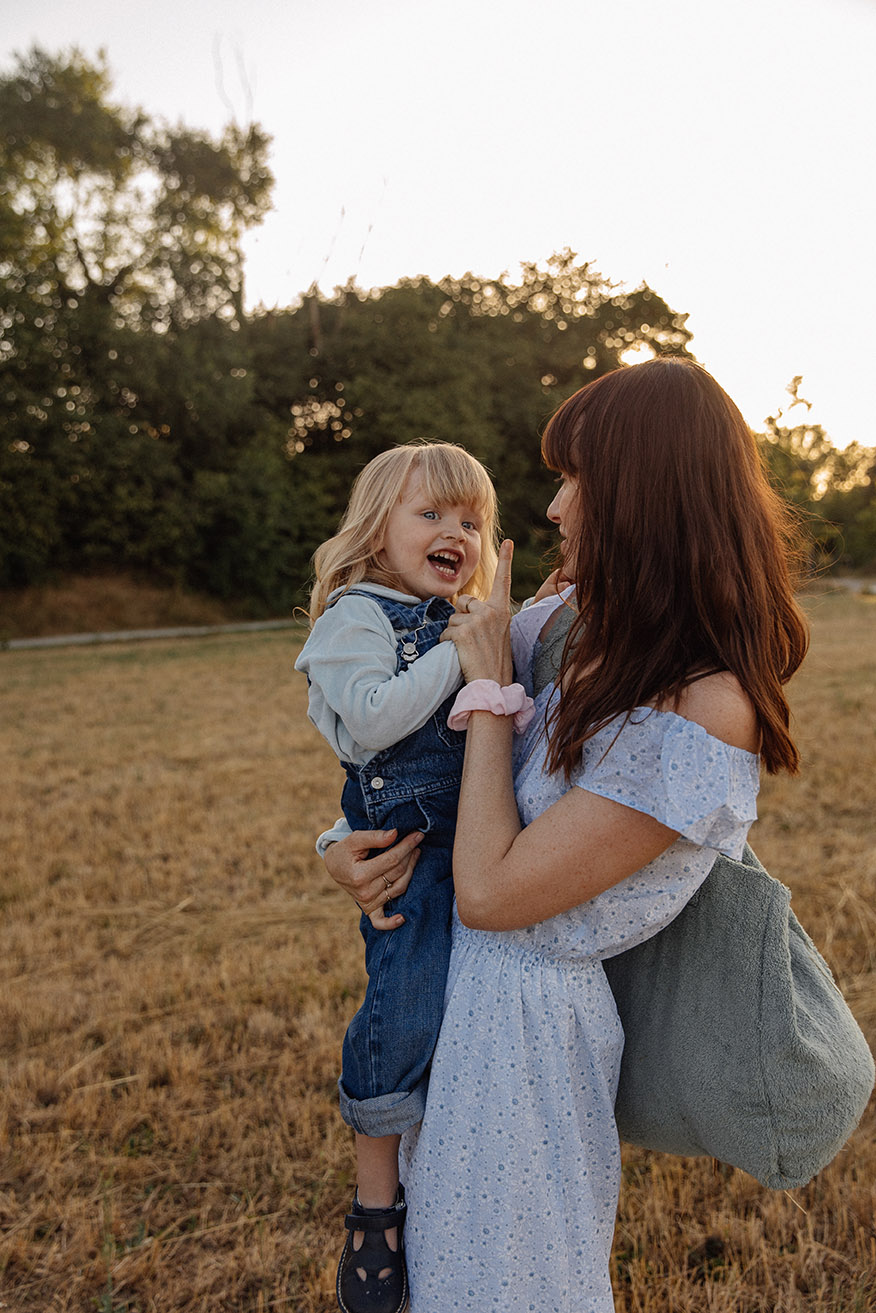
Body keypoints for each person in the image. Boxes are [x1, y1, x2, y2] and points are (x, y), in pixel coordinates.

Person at [322, 357, 809, 1312]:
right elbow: (411, 759)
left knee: (500, 1285)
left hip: (524, 1040)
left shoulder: (706, 710)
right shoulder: (569, 625)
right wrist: (340, 843)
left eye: (574, 479)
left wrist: (488, 690)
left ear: (639, 494)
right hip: (445, 997)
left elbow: (495, 895)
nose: (551, 509)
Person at [295, 441, 513, 1313]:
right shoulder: (355, 618)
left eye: (470, 519)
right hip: (413, 861)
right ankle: (376, 1205)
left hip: (484, 845)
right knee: (407, 1009)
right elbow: (379, 722)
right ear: (376, 528)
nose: (455, 531)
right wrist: (463, 654)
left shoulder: (461, 618)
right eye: (431, 514)